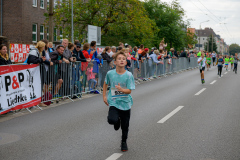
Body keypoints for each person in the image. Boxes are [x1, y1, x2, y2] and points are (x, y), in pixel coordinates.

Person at [103, 51, 135, 152]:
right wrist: (104, 96)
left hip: (125, 103)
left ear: (126, 62)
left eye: (123, 59)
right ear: (115, 62)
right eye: (119, 59)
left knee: (125, 126)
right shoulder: (110, 73)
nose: (121, 60)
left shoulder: (129, 75)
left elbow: (129, 90)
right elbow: (105, 84)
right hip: (114, 101)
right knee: (111, 120)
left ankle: (123, 142)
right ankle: (116, 121)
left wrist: (121, 90)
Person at [27, 41, 47, 107]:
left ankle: (38, 100)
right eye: (43, 46)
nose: (44, 48)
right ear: (41, 46)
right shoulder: (34, 51)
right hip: (35, 72)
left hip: (39, 70)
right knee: (37, 85)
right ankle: (37, 101)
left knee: (40, 85)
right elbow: (31, 61)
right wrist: (41, 60)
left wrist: (41, 60)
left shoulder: (39, 51)